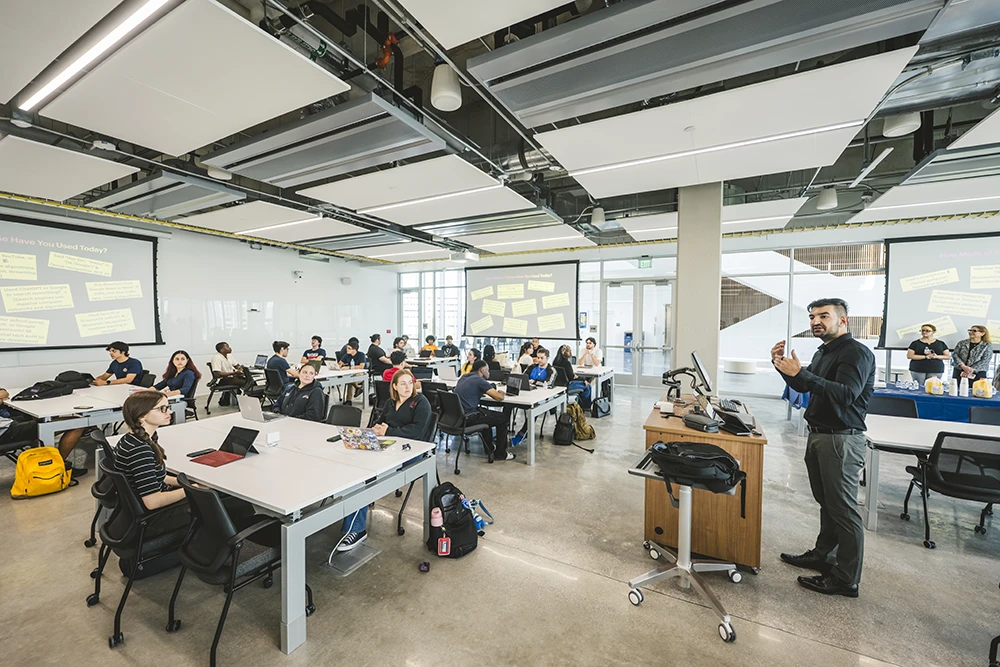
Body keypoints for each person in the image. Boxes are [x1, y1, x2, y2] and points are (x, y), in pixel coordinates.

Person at [772, 297, 874, 598]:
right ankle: (823, 556)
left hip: (841, 439)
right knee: (827, 503)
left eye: (824, 316)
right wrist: (782, 368)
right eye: (813, 316)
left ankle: (846, 579)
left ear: (843, 320)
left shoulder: (855, 353)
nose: (816, 321)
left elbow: (845, 394)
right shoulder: (823, 351)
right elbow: (805, 387)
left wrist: (801, 373)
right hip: (819, 435)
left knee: (843, 509)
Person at [112, 391, 252, 550]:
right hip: (154, 518)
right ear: (142, 416)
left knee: (220, 497)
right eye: (162, 409)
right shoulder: (140, 450)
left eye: (168, 407)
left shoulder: (131, 440)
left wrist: (183, 482)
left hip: (135, 511)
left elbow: (156, 476)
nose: (169, 412)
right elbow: (152, 502)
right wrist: (191, 490)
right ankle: (228, 552)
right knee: (232, 503)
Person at [338, 369, 433, 551]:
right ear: (395, 386)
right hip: (387, 448)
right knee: (354, 468)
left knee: (363, 478)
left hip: (410, 453)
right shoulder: (390, 402)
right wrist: (375, 431)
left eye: (410, 383)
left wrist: (387, 431)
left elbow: (417, 433)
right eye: (403, 383)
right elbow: (379, 423)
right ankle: (352, 515)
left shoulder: (421, 402)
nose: (407, 387)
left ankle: (356, 530)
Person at [0, 387, 87, 475]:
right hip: (6, 431)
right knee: (78, 423)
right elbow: (2, 394)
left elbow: (3, 393)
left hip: (6, 423)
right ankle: (57, 467)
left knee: (45, 416)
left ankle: (45, 461)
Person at [454, 360, 515, 461]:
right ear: (482, 370)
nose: (489, 372)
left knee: (486, 414)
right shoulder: (479, 380)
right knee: (503, 418)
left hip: (457, 416)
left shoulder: (464, 377)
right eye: (488, 370)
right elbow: (499, 398)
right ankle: (501, 453)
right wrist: (501, 393)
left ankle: (489, 448)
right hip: (468, 417)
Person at [512, 347, 557, 446]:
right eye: (538, 357)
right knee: (508, 405)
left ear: (547, 358)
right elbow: (522, 378)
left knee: (534, 408)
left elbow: (548, 383)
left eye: (542, 358)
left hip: (542, 397)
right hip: (527, 393)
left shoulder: (551, 370)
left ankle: (522, 434)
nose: (539, 360)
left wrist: (534, 382)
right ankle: (503, 430)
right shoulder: (532, 367)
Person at [337, 340, 367, 406]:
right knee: (350, 379)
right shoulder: (346, 355)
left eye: (349, 348)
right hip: (350, 374)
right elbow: (340, 363)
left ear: (354, 349)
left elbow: (361, 366)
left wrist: (349, 367)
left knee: (350, 379)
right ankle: (358, 387)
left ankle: (349, 400)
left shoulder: (361, 355)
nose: (347, 350)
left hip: (361, 373)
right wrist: (339, 365)